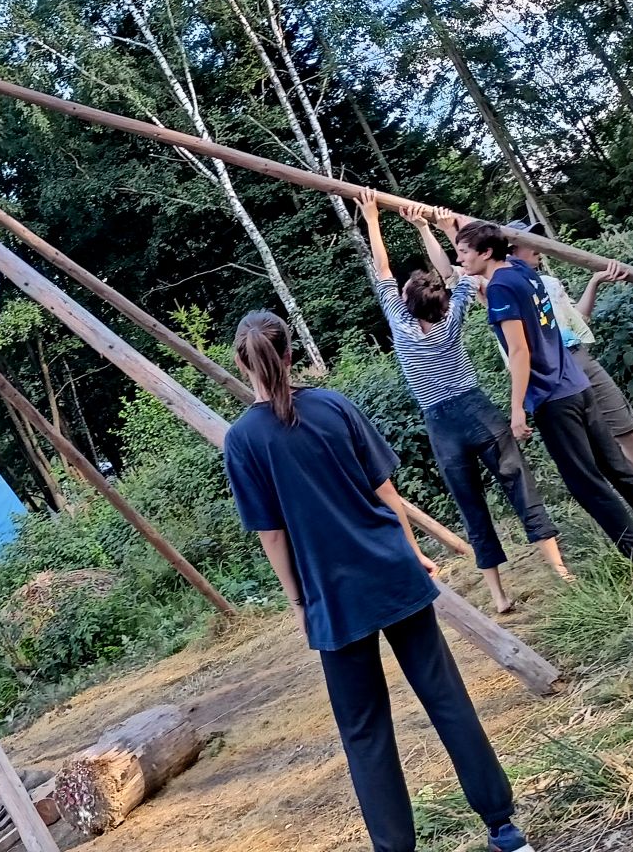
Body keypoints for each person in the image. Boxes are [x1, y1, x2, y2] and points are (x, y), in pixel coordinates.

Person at [223, 310, 538, 852]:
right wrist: (413, 555)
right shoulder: (334, 405)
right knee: (446, 697)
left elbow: (272, 536)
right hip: (391, 572)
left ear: (240, 361)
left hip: (333, 597)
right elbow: (386, 493)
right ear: (291, 354)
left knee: (365, 731)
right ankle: (505, 830)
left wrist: (299, 603)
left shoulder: (242, 441)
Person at [454, 219, 633, 588]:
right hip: (577, 384)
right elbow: (497, 245)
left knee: (587, 485)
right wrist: (457, 228)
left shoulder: (501, 288)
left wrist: (517, 408)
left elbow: (519, 351)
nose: (460, 260)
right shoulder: (522, 271)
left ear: (486, 252)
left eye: (464, 252)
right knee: (619, 468)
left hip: (552, 398)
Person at [358, 191, 569, 613]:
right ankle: (560, 570)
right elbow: (458, 274)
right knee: (520, 487)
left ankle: (498, 595)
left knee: (473, 510)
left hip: (442, 427)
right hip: (478, 413)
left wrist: (371, 217)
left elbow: (381, 268)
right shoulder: (451, 316)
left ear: (406, 300)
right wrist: (428, 228)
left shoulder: (400, 324)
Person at [503, 221, 633, 515]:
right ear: (511, 249)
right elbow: (458, 272)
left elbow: (579, 320)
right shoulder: (501, 288)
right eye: (530, 242)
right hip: (549, 373)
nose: (538, 247)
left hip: (579, 358)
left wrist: (595, 282)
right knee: (591, 453)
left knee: (626, 428)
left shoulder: (549, 283)